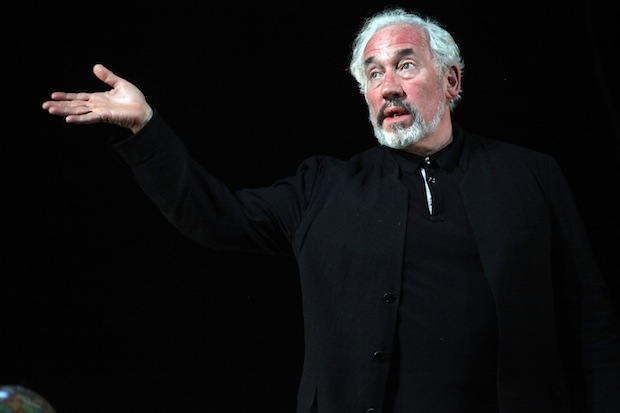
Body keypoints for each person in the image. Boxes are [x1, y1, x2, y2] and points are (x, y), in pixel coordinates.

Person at [42, 7, 620, 413]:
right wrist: (146, 129)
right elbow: (213, 216)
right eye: (373, 73)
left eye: (405, 65)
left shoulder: (529, 175)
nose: (388, 86)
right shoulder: (324, 187)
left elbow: (589, 317)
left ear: (451, 80)